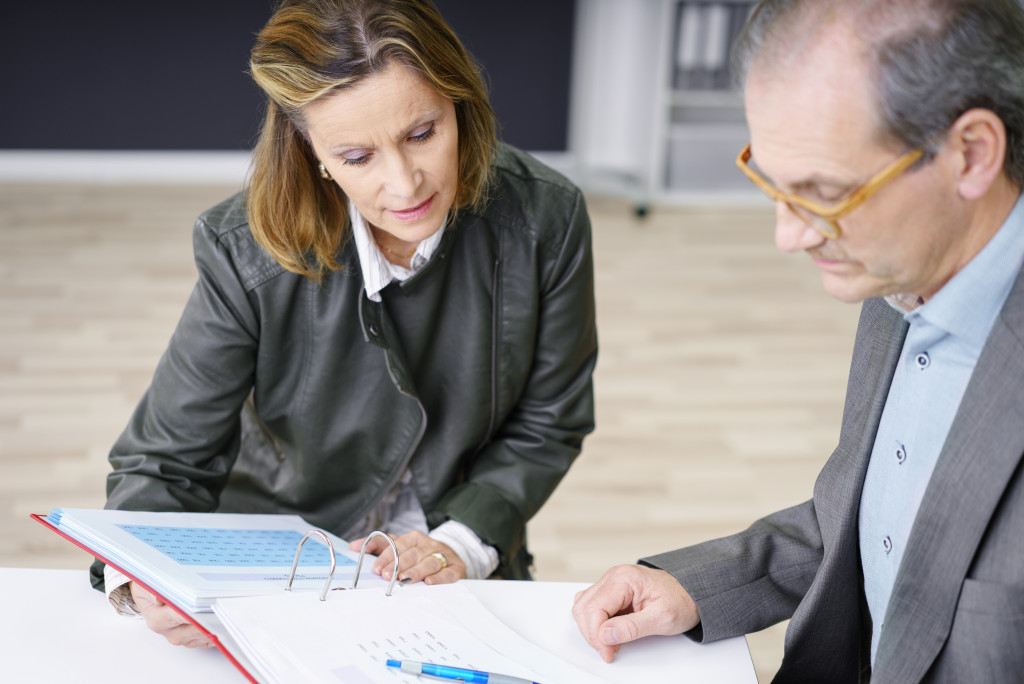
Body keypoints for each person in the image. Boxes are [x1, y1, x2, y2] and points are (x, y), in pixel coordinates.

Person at [90, 0, 597, 649]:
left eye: (422, 133)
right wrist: (138, 581)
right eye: (357, 156)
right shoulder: (243, 248)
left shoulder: (545, 219)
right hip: (276, 574)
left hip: (459, 561)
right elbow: (164, 461)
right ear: (312, 152)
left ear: (459, 104)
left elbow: (549, 420)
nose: (404, 182)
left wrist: (463, 544)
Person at [573, 0, 1024, 681]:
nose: (791, 236)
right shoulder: (900, 273)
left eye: (824, 193)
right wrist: (703, 585)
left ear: (971, 154)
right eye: (774, 185)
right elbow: (882, 520)